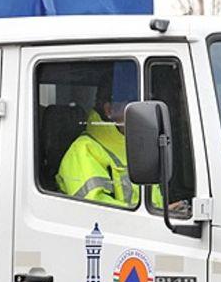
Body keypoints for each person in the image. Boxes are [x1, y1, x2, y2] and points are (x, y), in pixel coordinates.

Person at [56, 69, 165, 209]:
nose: (142, 115)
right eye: (134, 107)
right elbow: (96, 211)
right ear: (109, 110)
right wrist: (153, 215)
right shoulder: (83, 150)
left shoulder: (136, 144)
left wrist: (165, 211)